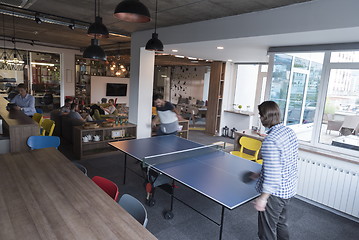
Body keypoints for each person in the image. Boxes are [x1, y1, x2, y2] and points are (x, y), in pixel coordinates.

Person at [253, 101, 298, 240]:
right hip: (289, 188)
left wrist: (263, 198)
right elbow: (285, 162)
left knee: (266, 230)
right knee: (281, 223)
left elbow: (273, 177)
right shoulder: (289, 132)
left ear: (264, 117)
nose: (259, 118)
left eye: (260, 115)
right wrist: (260, 174)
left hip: (275, 194)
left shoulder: (270, 141)